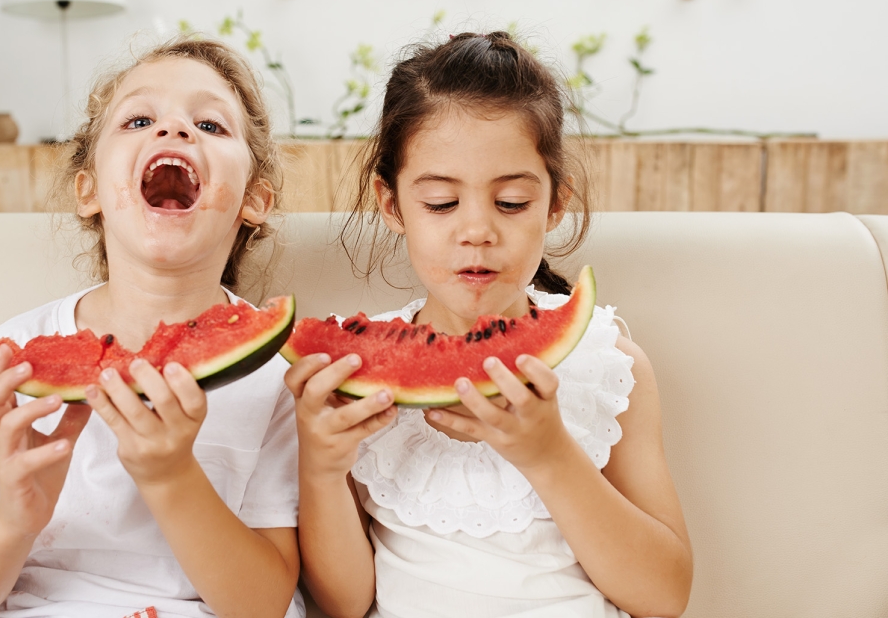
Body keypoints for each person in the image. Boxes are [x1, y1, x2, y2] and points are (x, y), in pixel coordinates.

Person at [286, 31, 693, 618]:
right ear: (391, 203)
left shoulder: (608, 365)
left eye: (510, 203)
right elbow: (345, 604)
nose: (477, 230)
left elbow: (666, 595)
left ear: (556, 202)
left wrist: (550, 454)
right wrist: (320, 469)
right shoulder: (349, 380)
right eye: (441, 204)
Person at [0, 38, 302, 618]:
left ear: (254, 198)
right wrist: (15, 520)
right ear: (88, 189)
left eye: (211, 125)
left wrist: (171, 478)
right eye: (140, 118)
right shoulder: (15, 358)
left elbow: (265, 603)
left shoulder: (273, 369)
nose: (174, 131)